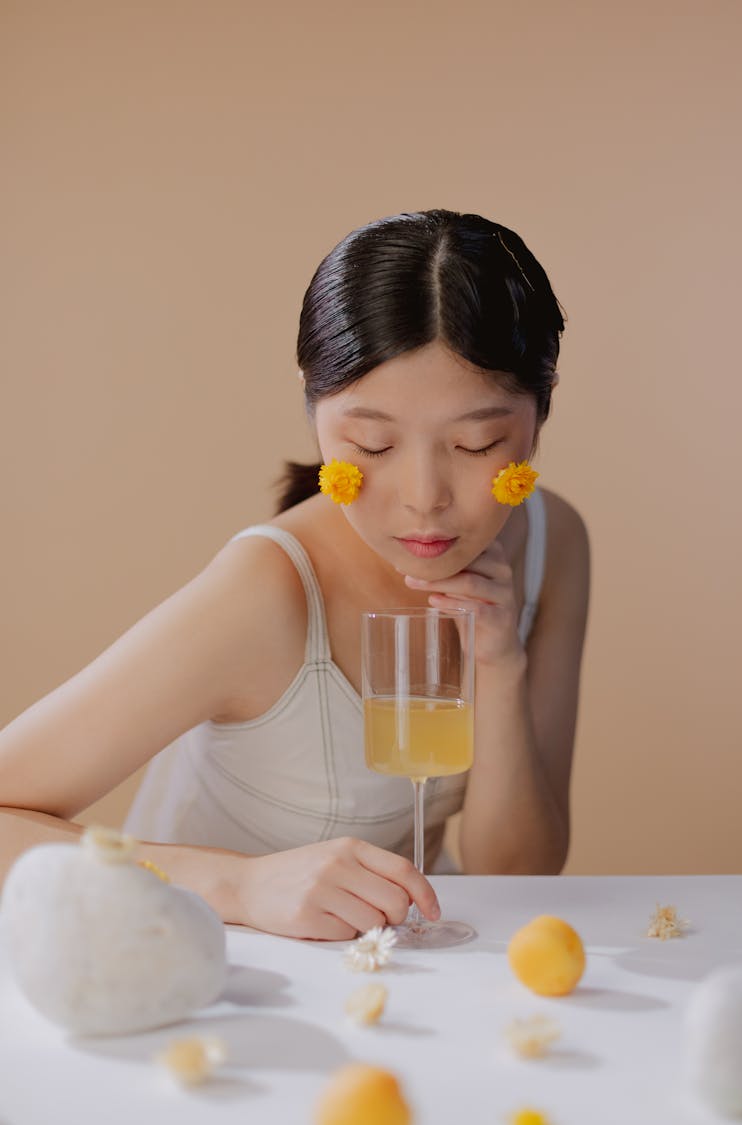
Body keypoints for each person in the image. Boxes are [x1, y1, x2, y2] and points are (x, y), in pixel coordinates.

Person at [0, 209, 589, 941]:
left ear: (542, 412)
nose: (424, 497)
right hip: (207, 977)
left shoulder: (551, 542)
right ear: (314, 412)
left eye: (478, 443)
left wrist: (499, 662)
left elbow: (515, 876)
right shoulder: (266, 589)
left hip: (384, 983)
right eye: (372, 444)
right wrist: (238, 883)